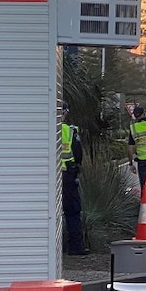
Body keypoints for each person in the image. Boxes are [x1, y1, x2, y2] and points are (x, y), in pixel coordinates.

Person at [62, 105, 89, 256]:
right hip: (68, 175)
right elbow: (78, 154)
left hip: (49, 176)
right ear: (65, 113)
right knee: (72, 211)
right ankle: (75, 246)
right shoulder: (70, 131)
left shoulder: (44, 128)